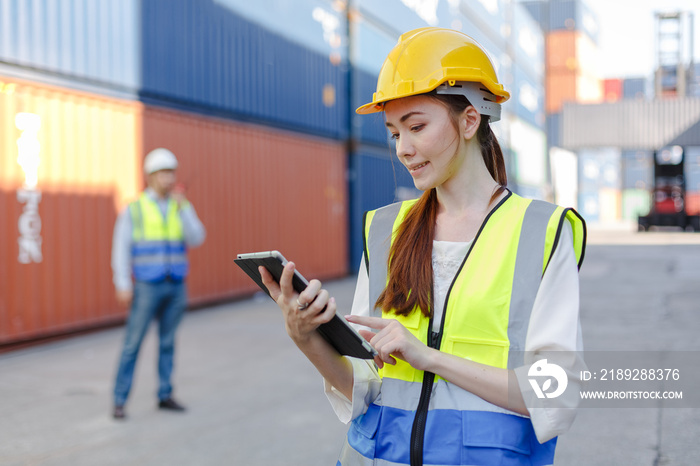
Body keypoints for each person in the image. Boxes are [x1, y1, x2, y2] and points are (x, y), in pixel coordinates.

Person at [260, 27, 586, 466]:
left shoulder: (542, 232)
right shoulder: (384, 230)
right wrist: (306, 338)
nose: (404, 149)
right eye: (395, 132)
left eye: (416, 127)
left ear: (470, 120)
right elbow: (366, 385)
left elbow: (556, 392)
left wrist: (428, 357)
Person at [111, 147, 206, 420]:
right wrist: (122, 283)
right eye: (164, 173)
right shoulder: (135, 209)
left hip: (175, 284)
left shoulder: (181, 206)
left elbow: (197, 237)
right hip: (147, 286)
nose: (169, 178)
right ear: (150, 176)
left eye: (172, 173)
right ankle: (119, 400)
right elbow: (120, 248)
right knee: (133, 343)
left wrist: (183, 208)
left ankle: (165, 394)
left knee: (168, 342)